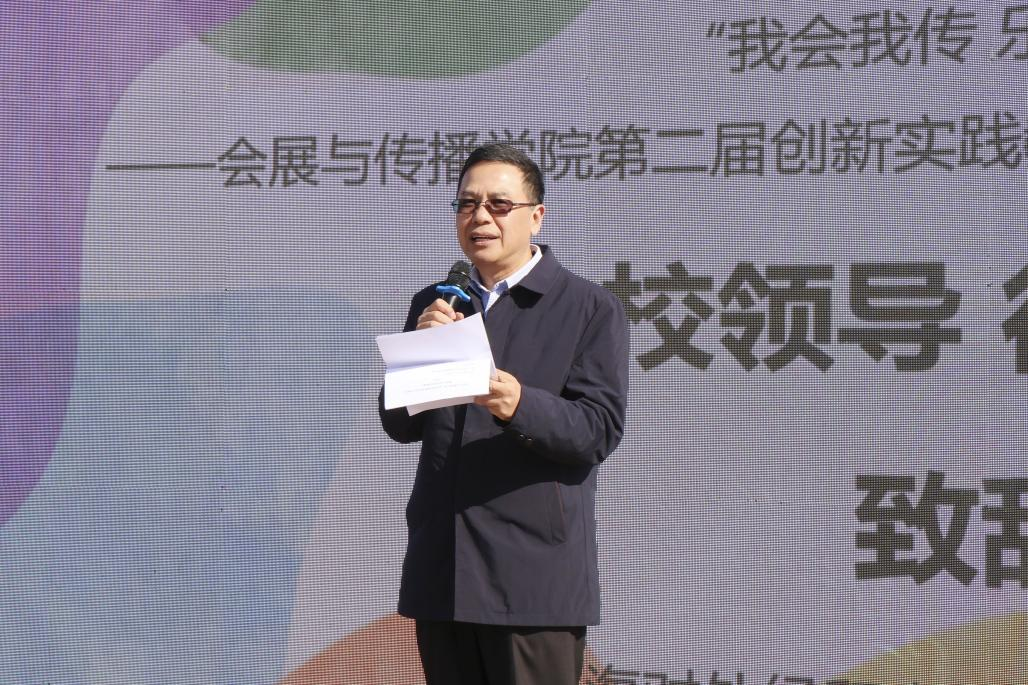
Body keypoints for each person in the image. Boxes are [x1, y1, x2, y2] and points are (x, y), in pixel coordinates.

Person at [379, 143, 629, 685]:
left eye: (498, 204)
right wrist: (418, 355)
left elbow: (598, 430)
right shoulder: (440, 301)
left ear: (536, 216)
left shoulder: (587, 307)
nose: (480, 217)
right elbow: (399, 425)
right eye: (467, 204)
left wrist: (519, 405)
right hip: (443, 569)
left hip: (530, 580)